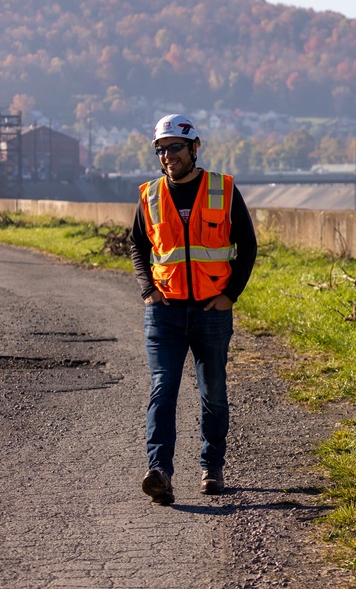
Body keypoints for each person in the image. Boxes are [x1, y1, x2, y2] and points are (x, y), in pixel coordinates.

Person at [129, 114, 257, 505]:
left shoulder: (223, 189)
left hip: (210, 310)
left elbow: (247, 246)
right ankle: (160, 471)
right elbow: (137, 245)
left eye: (175, 148)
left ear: (194, 149)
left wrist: (229, 295)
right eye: (161, 150)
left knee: (213, 392)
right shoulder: (150, 195)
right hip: (164, 312)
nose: (168, 156)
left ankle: (211, 467)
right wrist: (148, 290)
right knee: (162, 388)